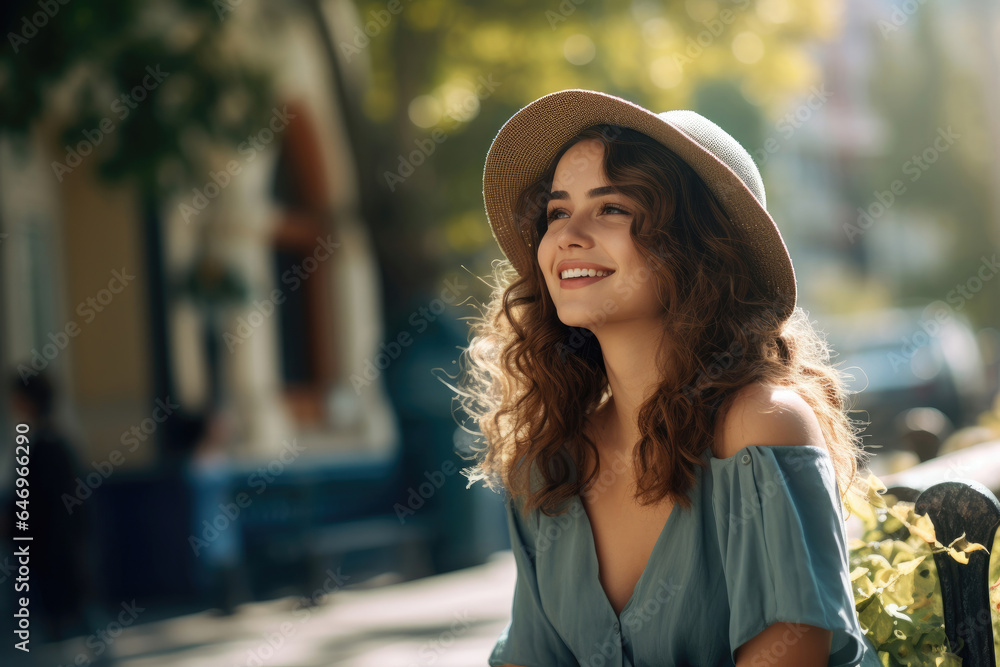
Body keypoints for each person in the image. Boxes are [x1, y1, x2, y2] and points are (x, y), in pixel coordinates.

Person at [453, 90, 883, 666]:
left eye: (611, 208)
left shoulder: (761, 424)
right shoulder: (548, 461)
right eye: (557, 211)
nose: (568, 235)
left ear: (695, 246)